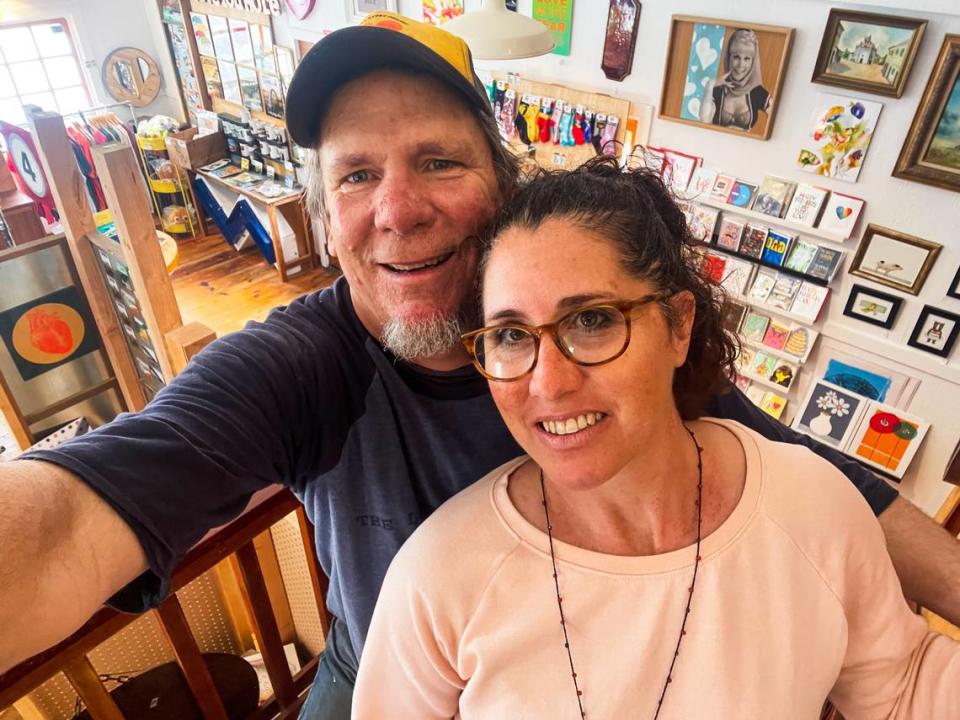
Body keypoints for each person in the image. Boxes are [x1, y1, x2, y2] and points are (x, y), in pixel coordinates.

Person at [0, 12, 957, 719]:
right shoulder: (304, 365)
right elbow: (71, 521)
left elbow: (819, 484)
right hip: (380, 670)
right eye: (357, 174)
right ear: (326, 216)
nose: (397, 209)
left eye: (437, 162)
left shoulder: (615, 343)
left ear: (502, 186)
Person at [353, 159, 960, 717]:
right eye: (511, 335)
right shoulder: (441, 576)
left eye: (591, 321)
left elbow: (903, 688)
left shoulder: (810, 507)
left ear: (679, 326)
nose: (550, 382)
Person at [699, 28, 769, 131]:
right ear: (728, 58)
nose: (741, 65)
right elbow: (704, 119)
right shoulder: (718, 90)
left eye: (747, 59)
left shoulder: (757, 92)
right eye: (736, 57)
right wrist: (710, 85)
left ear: (753, 62)